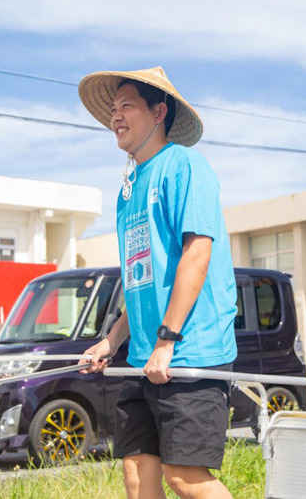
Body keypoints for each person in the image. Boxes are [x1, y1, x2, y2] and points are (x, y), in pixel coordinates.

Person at [77, 66, 237, 499]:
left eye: (126, 105)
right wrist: (112, 341)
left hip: (191, 350)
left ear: (159, 111)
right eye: (113, 109)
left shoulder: (185, 165)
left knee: (184, 476)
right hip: (146, 355)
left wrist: (168, 340)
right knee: (135, 470)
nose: (116, 117)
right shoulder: (128, 190)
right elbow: (141, 283)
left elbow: (197, 253)